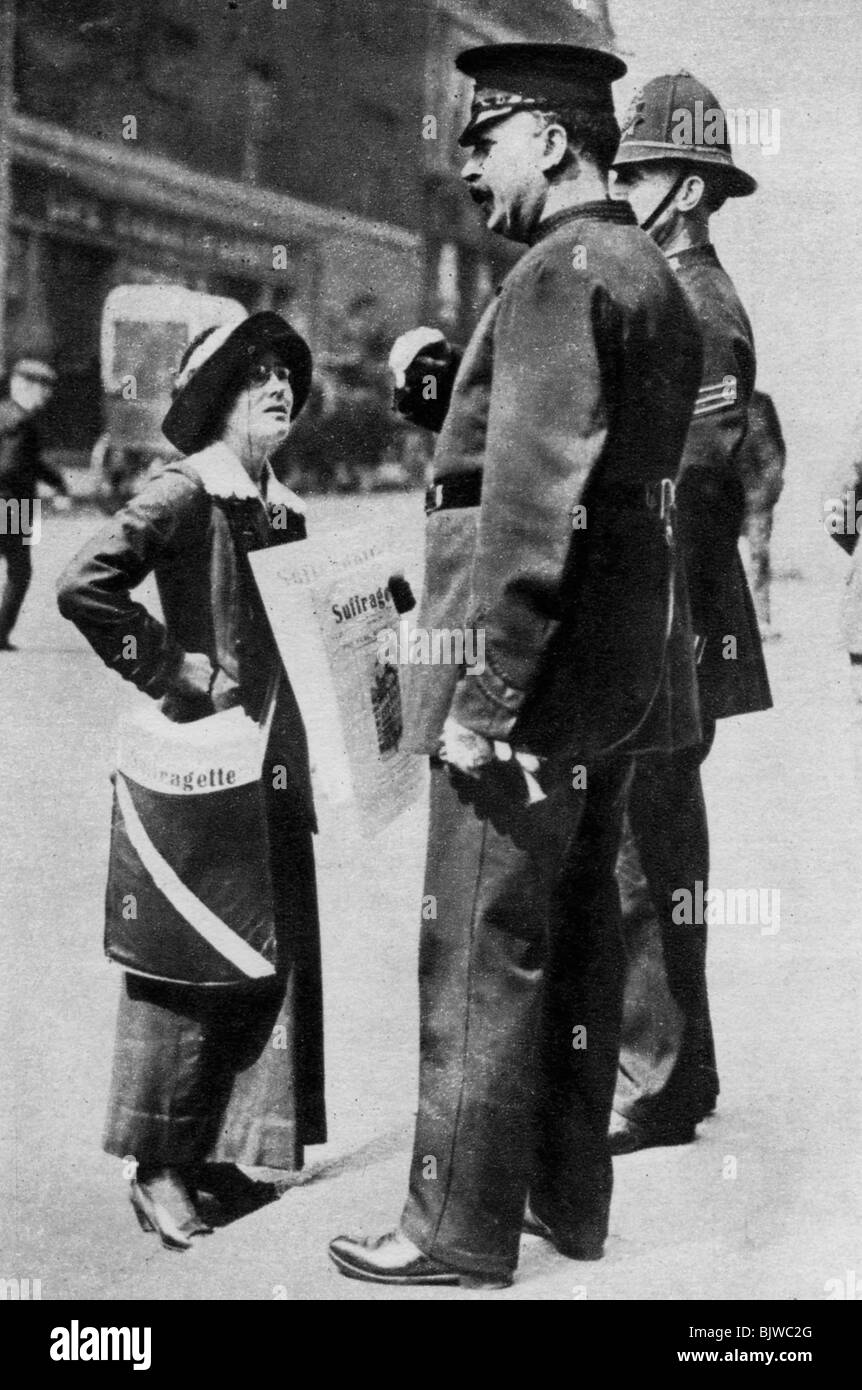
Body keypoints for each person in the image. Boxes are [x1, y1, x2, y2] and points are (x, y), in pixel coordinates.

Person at [328, 40, 704, 1288]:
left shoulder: (556, 270)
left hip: (523, 686)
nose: (468, 170)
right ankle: (561, 1202)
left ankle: (450, 1230)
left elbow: (535, 504)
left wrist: (484, 697)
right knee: (580, 937)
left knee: (478, 944)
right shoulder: (645, 270)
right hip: (606, 682)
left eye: (482, 143)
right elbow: (597, 474)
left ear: (549, 138)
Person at [57, 312, 326, 1250]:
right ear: (215, 399)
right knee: (182, 958)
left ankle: (214, 1152)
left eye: (287, 374)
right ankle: (157, 1166)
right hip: (201, 764)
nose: (278, 387)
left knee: (261, 952)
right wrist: (174, 669)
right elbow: (85, 584)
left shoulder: (283, 505)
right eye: (255, 375)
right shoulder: (184, 492)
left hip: (275, 766)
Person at [607, 72, 772, 1154]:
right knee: (661, 845)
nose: (621, 183)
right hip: (676, 626)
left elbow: (694, 482)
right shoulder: (675, 291)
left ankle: (659, 1078)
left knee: (643, 850)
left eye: (639, 169)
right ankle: (684, 1068)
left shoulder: (696, 308)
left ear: (690, 189)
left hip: (667, 621)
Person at [0, 353, 68, 650]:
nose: (47, 397)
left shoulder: (3, 412)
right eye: (43, 389)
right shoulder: (22, 422)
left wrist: (56, 481)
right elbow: (13, 467)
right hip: (12, 504)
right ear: (22, 386)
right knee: (20, 570)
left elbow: (29, 462)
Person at [738, 389, 786, 639]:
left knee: (759, 558)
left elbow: (774, 454)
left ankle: (761, 619)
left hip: (756, 497)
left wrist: (767, 494)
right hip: (721, 495)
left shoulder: (760, 404)